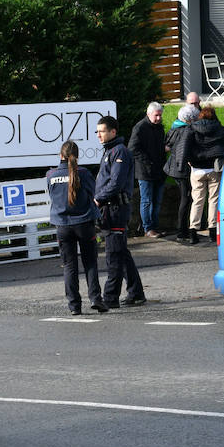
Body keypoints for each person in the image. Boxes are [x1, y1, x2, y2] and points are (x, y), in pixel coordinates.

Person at [47, 141, 107, 315]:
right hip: (84, 223)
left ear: (61, 155)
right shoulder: (84, 173)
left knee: (69, 266)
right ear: (77, 156)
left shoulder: (51, 175)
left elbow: (53, 196)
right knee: (90, 263)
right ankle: (96, 299)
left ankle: (74, 306)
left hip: (63, 226)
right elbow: (94, 192)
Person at [93, 116, 145, 308]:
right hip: (108, 209)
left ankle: (110, 298)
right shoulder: (109, 151)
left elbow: (115, 183)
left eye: (102, 131)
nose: (98, 134)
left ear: (113, 132)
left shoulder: (119, 152)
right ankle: (136, 292)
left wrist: (98, 198)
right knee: (121, 253)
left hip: (115, 208)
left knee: (113, 254)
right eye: (97, 131)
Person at [184, 103, 224, 245]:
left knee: (197, 200)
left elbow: (185, 147)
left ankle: (193, 231)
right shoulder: (219, 129)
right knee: (213, 200)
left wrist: (187, 161)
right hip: (214, 169)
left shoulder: (192, 128)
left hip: (197, 170)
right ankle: (212, 231)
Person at [128, 102, 168, 238]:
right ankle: (148, 228)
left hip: (159, 170)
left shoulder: (159, 128)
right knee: (146, 201)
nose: (158, 118)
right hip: (145, 171)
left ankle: (154, 227)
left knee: (157, 201)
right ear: (149, 114)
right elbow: (132, 149)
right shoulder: (140, 128)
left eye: (160, 115)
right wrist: (148, 161)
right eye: (156, 115)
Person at [166, 103, 200, 244]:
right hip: (181, 169)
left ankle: (183, 230)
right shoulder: (186, 131)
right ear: (190, 119)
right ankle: (182, 230)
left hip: (173, 168)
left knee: (185, 199)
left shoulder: (175, 127)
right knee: (186, 199)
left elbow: (168, 145)